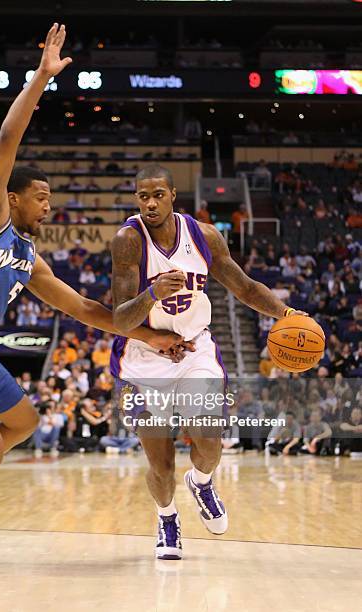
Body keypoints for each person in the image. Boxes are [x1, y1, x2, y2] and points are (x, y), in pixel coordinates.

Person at [0, 26, 186, 572]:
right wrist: (42, 78)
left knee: (22, 421)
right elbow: (5, 142)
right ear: (12, 197)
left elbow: (87, 311)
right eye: (40, 197)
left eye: (51, 198)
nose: (48, 205)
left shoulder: (27, 257)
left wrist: (152, 337)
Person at [110, 164, 307, 560]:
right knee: (160, 464)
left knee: (210, 440)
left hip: (195, 349)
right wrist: (151, 294)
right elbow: (119, 319)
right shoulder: (128, 240)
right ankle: (167, 519)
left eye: (158, 195)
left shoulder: (203, 236)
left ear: (172, 195)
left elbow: (247, 288)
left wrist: (289, 316)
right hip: (144, 356)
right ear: (136, 198)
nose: (150, 203)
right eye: (143, 196)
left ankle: (201, 482)